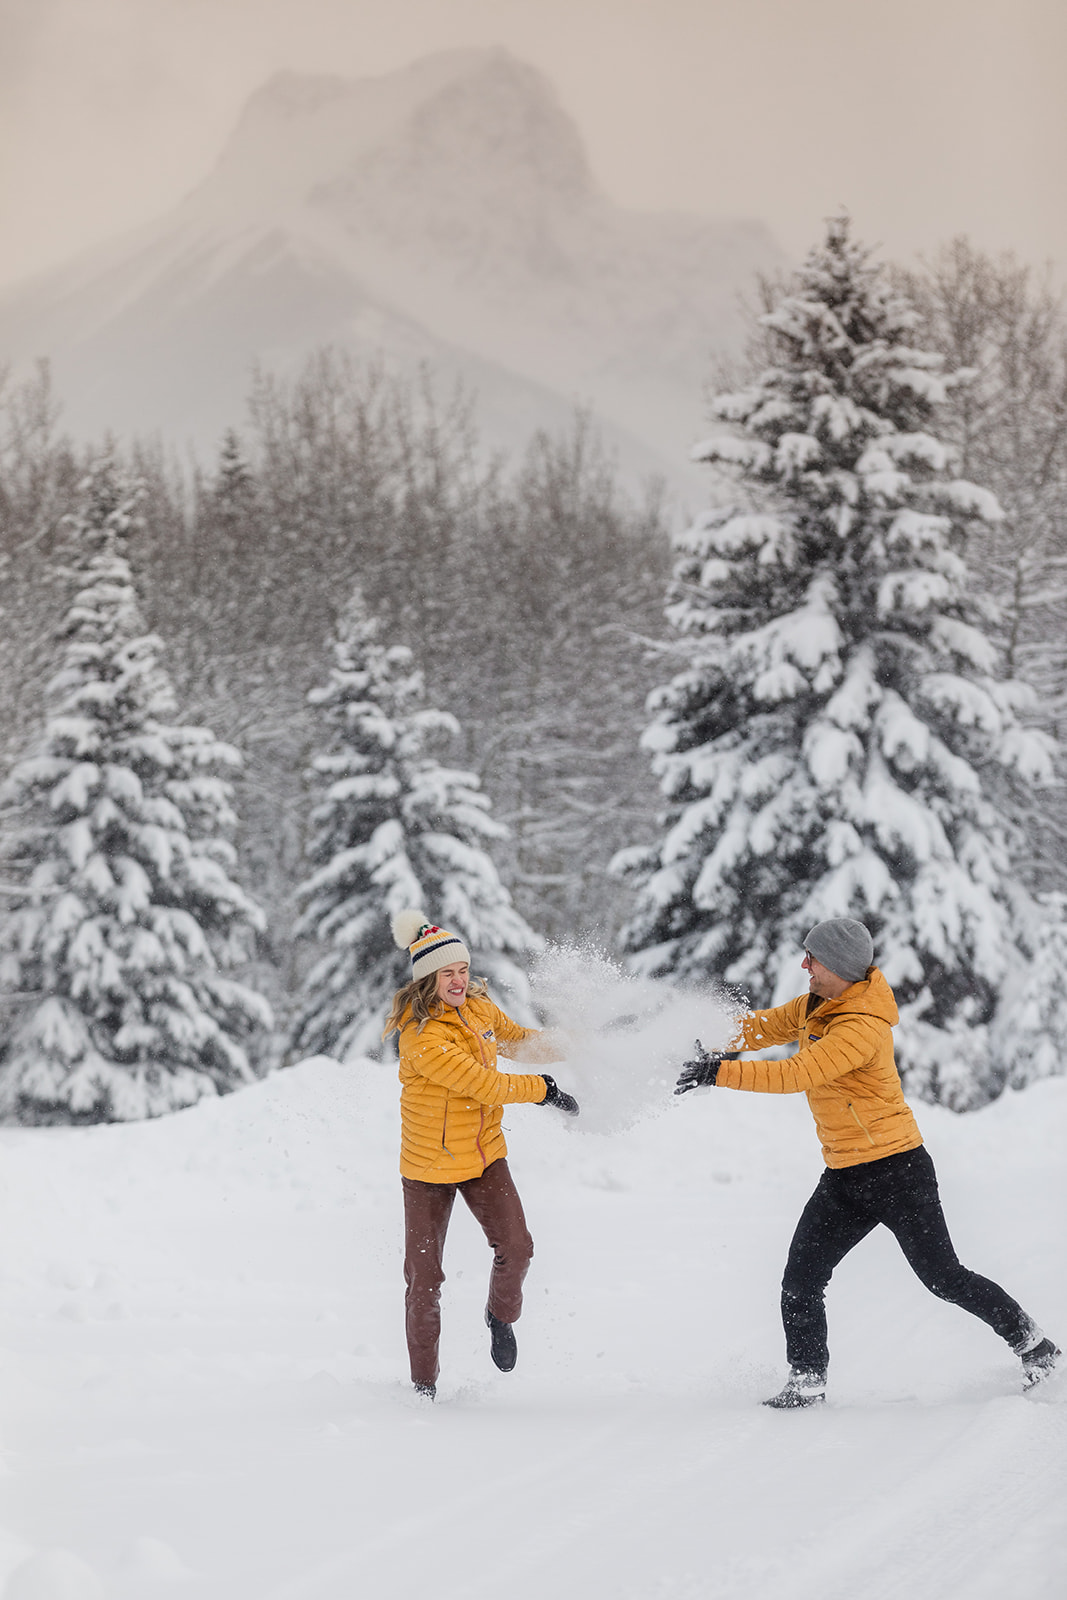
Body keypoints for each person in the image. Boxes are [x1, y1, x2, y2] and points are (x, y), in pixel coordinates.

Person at [675, 917, 1060, 1408]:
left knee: (944, 1278)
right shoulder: (817, 1006)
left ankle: (1034, 1345)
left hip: (897, 1170)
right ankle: (807, 1380)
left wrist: (718, 1073)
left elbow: (798, 1073)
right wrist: (702, 1037)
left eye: (812, 959)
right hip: (844, 1175)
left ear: (837, 965)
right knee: (801, 1279)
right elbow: (761, 1028)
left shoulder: (860, 1027)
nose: (804, 966)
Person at [383, 909, 579, 1399]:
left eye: (463, 970)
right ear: (427, 979)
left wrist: (578, 1045)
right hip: (427, 1170)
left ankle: (499, 1315)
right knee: (424, 1282)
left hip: (484, 1154)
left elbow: (519, 1043)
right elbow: (484, 1083)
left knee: (518, 1248)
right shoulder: (422, 1038)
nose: (458, 980)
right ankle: (423, 1388)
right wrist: (544, 1091)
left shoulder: (478, 1008)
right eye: (447, 973)